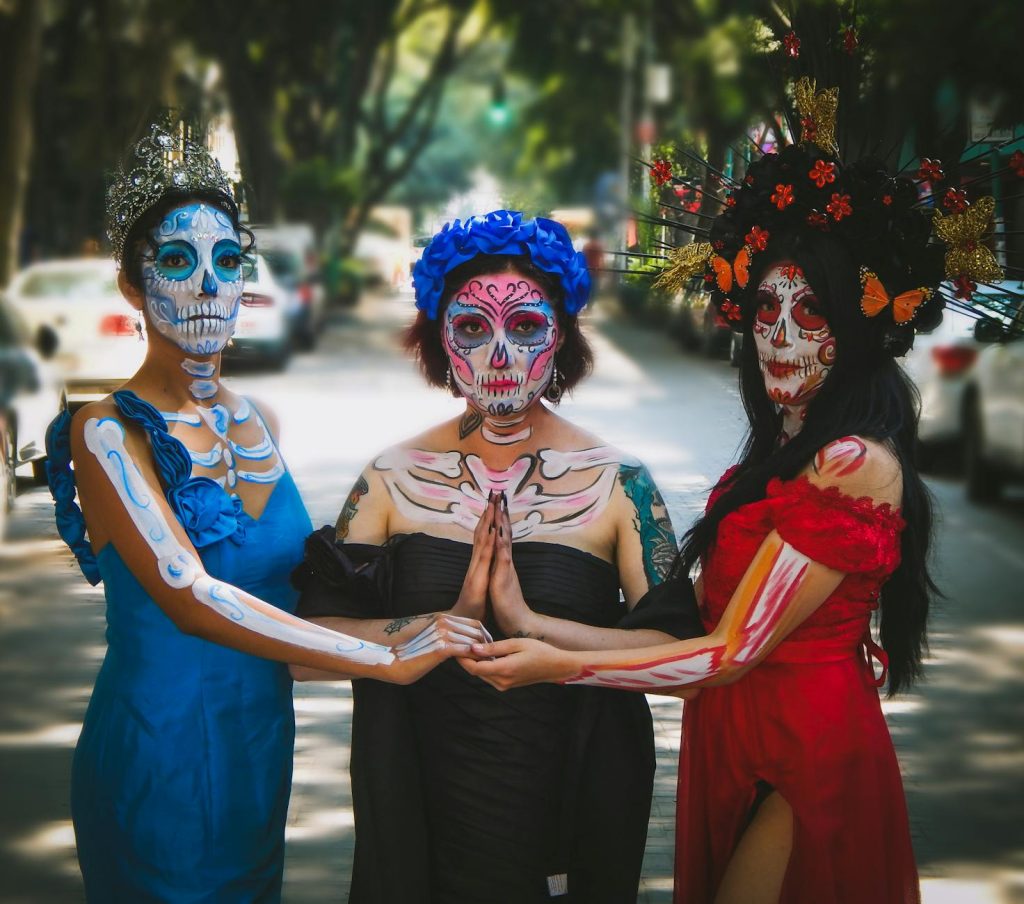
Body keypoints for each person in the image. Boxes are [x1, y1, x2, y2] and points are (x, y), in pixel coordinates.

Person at [464, 119, 958, 903]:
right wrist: (527, 620)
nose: (781, 337)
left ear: (858, 327)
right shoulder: (768, 467)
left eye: (812, 314)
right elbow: (687, 646)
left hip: (806, 761)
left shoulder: (855, 464)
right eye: (766, 310)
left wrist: (560, 668)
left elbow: (729, 654)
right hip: (734, 742)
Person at [45, 122, 485, 903]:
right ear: (132, 286)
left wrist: (433, 620)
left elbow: (293, 615)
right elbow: (190, 595)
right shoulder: (106, 432)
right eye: (177, 261)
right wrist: (387, 659)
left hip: (257, 759)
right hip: (158, 761)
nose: (208, 284)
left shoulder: (262, 423)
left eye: (227, 261)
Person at [289, 209, 704, 903]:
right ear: (438, 340)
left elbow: (684, 665)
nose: (501, 358)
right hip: (421, 805)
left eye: (526, 328)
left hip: (568, 807)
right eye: (474, 329)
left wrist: (540, 633)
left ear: (562, 334)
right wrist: (433, 630)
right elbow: (306, 651)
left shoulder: (619, 484)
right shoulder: (392, 478)